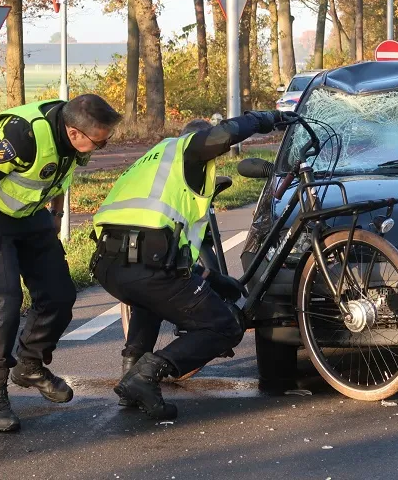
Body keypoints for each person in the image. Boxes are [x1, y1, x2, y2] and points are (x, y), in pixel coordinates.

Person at [90, 110, 289, 420]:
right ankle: (146, 375)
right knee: (225, 326)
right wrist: (267, 118)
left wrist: (213, 279)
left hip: (110, 264)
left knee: (150, 300)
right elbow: (225, 133)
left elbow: (167, 250)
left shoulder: (155, 158)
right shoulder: (189, 149)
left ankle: (130, 378)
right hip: (146, 265)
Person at [0, 94, 122, 432]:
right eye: (99, 142)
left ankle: (29, 364)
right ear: (74, 132)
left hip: (30, 213)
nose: (103, 146)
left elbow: (59, 172)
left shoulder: (74, 132)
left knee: (59, 295)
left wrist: (56, 214)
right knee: (4, 300)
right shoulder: (22, 137)